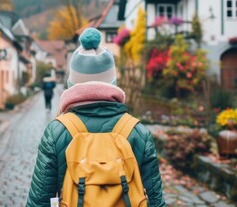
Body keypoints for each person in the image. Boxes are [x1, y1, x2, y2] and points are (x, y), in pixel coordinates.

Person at [27, 28, 165, 206]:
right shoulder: (138, 132)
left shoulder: (56, 131)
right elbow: (155, 200)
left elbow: (39, 201)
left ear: (72, 84)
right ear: (113, 83)